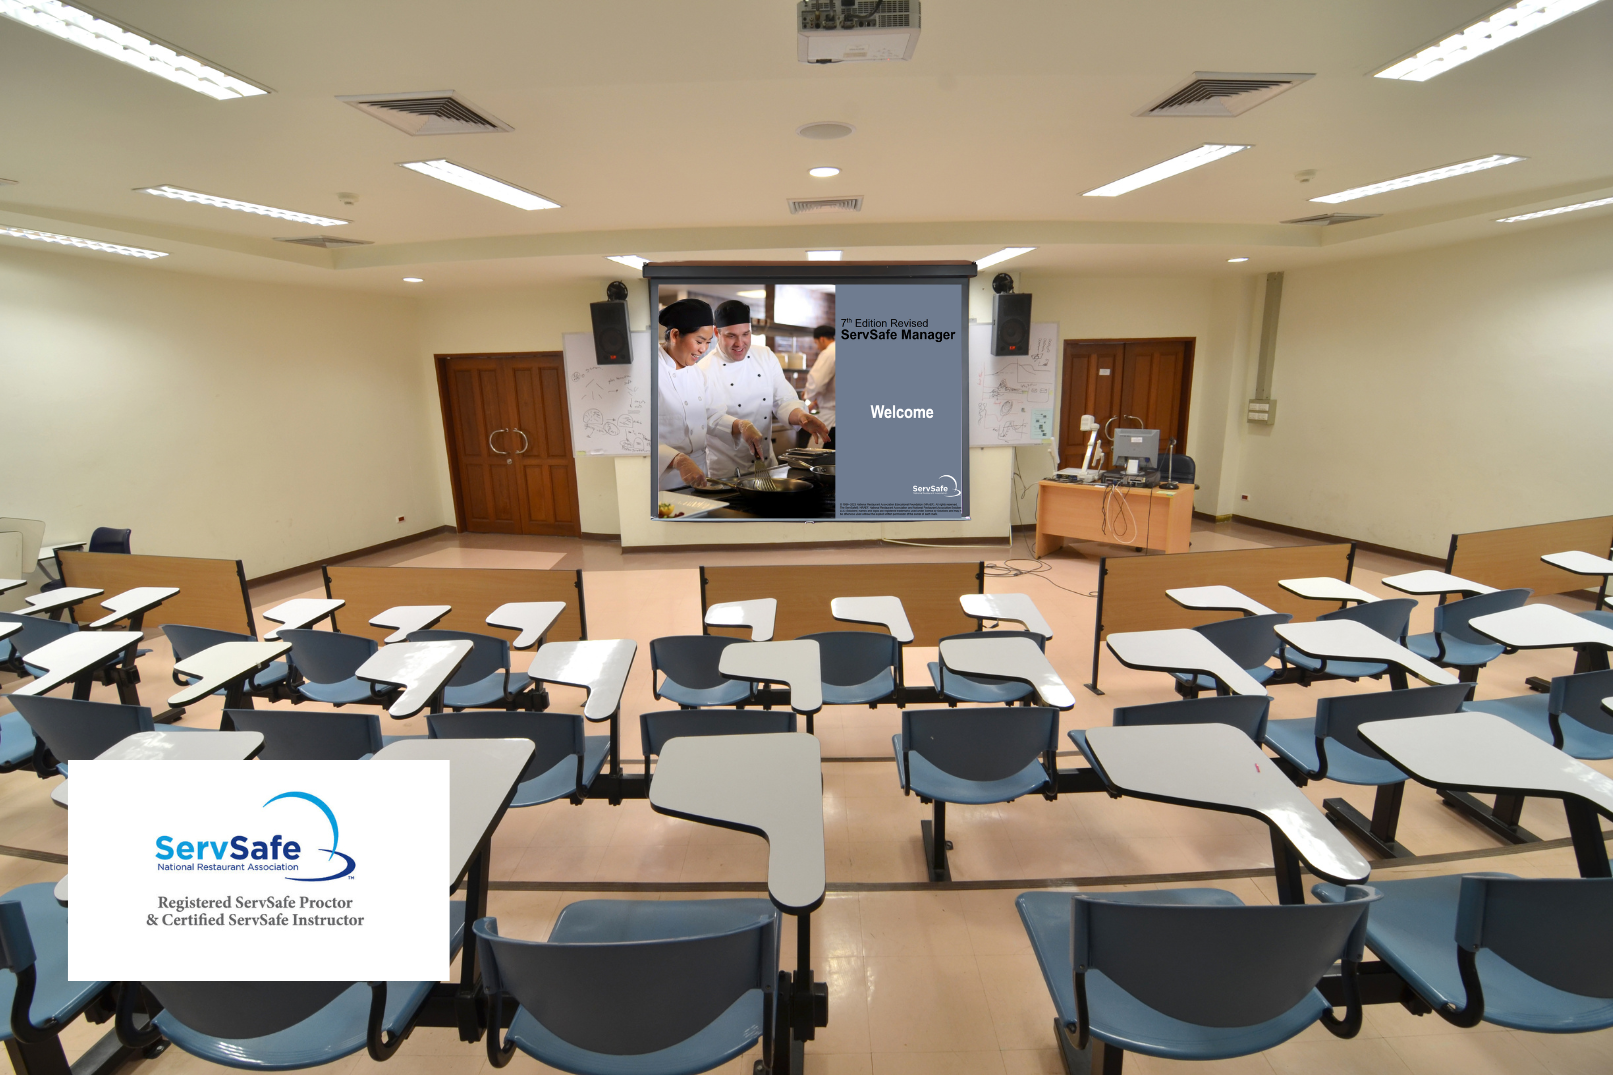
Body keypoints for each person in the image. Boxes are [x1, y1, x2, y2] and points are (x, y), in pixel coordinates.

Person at [698, 300, 831, 477]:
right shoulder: (703, 370)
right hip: (727, 473)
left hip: (769, 468)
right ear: (717, 333)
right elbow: (709, 420)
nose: (740, 343)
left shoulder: (765, 355)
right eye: (731, 336)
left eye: (746, 334)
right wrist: (742, 426)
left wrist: (801, 416)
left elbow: (784, 400)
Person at [655, 297, 765, 491]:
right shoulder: (648, 371)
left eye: (707, 342)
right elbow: (634, 434)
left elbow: (711, 416)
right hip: (661, 481)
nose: (703, 349)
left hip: (698, 477)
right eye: (699, 341)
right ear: (675, 335)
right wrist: (677, 459)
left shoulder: (696, 373)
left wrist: (741, 426)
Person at [804, 323, 836, 448]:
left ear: (821, 339)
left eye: (816, 343)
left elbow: (816, 384)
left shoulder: (829, 353)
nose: (817, 347)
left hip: (831, 418)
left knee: (819, 459)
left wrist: (808, 395)